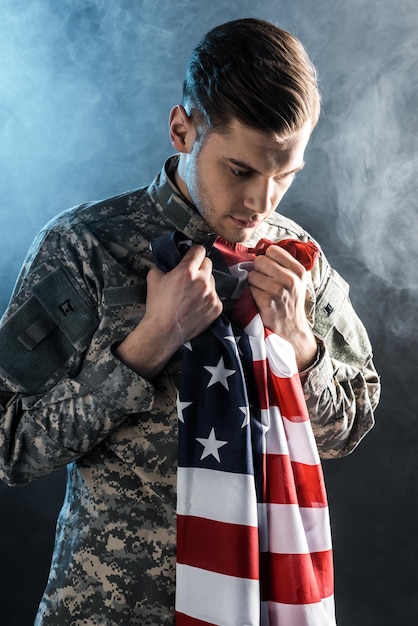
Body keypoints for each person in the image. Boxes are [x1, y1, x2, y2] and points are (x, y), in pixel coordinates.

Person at [0, 17, 380, 626]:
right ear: (183, 130)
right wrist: (145, 348)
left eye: (284, 176)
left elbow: (347, 429)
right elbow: (6, 445)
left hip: (257, 607)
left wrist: (304, 349)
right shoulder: (86, 247)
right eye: (240, 171)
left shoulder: (295, 261)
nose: (262, 203)